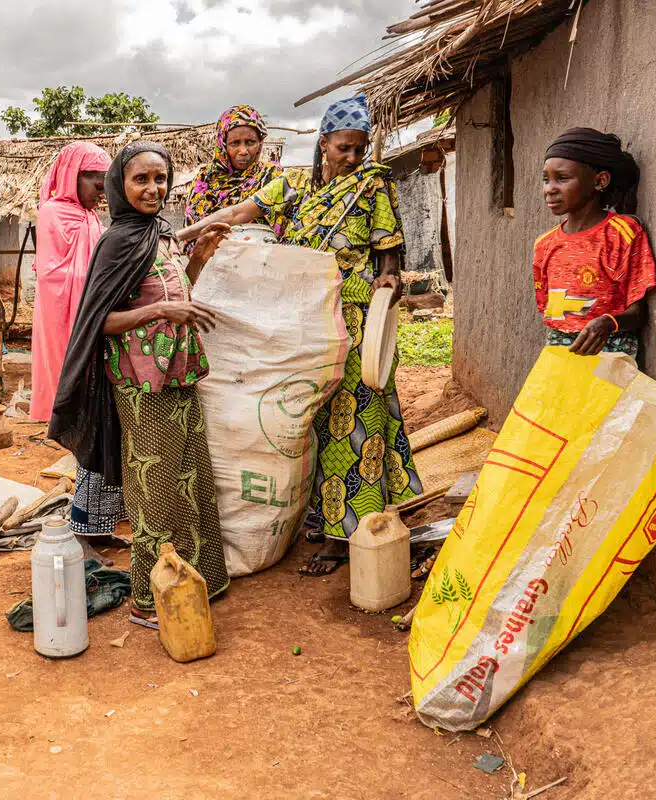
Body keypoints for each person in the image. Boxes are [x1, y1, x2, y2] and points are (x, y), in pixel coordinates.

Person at [179, 95, 422, 576]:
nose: (352, 159)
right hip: (299, 315)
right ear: (323, 142)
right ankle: (316, 515)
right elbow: (240, 213)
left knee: (352, 423)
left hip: (350, 317)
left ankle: (343, 536)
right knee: (299, 418)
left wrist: (389, 283)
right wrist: (181, 238)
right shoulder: (290, 185)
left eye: (359, 149)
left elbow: (389, 254)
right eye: (343, 149)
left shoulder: (372, 187)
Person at [49, 140, 232, 627]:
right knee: (153, 486)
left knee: (191, 474)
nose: (154, 189)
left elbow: (179, 290)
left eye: (161, 179)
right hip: (140, 382)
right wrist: (159, 311)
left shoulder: (160, 234)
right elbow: (98, 321)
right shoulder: (117, 240)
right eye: (141, 180)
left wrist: (203, 255)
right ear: (120, 185)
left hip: (179, 371)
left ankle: (198, 578)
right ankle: (149, 599)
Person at [25, 143, 125, 548]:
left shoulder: (90, 218)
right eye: (93, 179)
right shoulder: (53, 214)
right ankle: (86, 525)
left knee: (105, 423)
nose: (101, 188)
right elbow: (56, 280)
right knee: (88, 424)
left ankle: (102, 521)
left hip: (96, 329)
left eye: (105, 180)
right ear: (71, 176)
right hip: (70, 332)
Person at [534, 127, 656, 356]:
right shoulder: (544, 244)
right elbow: (546, 308)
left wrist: (607, 322)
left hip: (611, 350)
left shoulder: (623, 234)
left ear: (600, 181)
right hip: (558, 350)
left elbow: (638, 312)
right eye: (546, 179)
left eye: (562, 179)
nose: (550, 189)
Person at [182, 103, 283, 245]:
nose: (243, 151)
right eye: (235, 143)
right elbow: (191, 234)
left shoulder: (272, 176)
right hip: (212, 260)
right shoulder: (205, 180)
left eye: (250, 142)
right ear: (223, 144)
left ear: (260, 143)